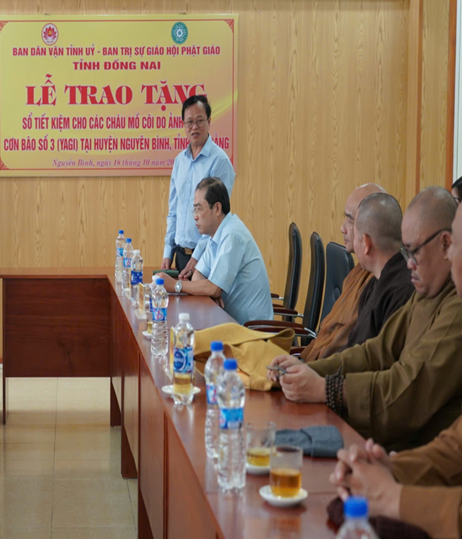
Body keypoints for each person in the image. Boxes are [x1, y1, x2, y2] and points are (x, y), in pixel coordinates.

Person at [268, 187, 462, 451]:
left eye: (414, 251)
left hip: (407, 452)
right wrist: (308, 370)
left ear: (446, 245)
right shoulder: (426, 291)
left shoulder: (454, 307)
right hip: (383, 443)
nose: (409, 264)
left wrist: (327, 389)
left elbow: (410, 389)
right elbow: (376, 352)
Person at [327, 204, 462, 539]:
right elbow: (455, 449)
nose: (451, 258)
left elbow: (408, 387)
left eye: (456, 246)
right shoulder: (427, 294)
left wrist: (393, 498)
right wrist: (390, 468)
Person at [155, 177, 272, 324]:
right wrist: (210, 292)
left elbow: (214, 288)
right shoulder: (214, 235)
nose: (195, 217)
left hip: (252, 330)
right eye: (194, 210)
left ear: (217, 208)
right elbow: (198, 274)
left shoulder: (232, 235)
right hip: (229, 322)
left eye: (199, 209)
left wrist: (175, 285)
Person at [300, 183, 386, 361]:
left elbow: (344, 345)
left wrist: (303, 368)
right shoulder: (359, 270)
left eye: (349, 220)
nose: (342, 228)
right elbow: (327, 330)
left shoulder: (377, 282)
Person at [162, 95, 235, 279]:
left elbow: (217, 218)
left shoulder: (219, 161)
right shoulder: (179, 161)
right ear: (183, 125)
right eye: (189, 122)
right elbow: (173, 211)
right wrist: (168, 252)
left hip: (206, 256)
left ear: (209, 122)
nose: (194, 127)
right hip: (180, 256)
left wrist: (197, 256)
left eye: (200, 121)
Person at [346, 193, 414, 347]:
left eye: (355, 236)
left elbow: (382, 356)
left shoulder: (403, 293)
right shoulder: (373, 283)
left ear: (366, 243)